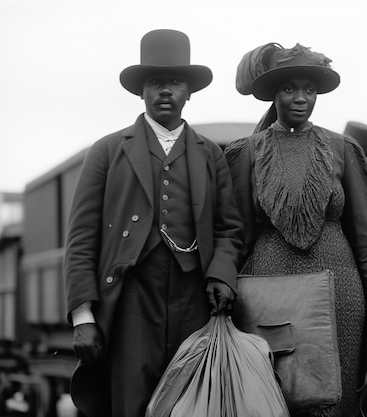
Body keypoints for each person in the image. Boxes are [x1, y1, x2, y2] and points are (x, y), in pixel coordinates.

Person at [64, 29, 243, 417]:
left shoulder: (210, 154)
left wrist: (222, 275)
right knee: (129, 400)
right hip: (130, 297)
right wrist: (83, 314)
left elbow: (230, 228)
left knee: (192, 401)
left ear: (189, 92)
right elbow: (81, 238)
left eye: (175, 82)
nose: (166, 91)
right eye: (156, 82)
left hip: (194, 299)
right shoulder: (108, 151)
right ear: (141, 91)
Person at [225, 43, 367, 417]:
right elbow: (233, 236)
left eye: (309, 89)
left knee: (336, 400)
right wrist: (224, 297)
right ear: (274, 94)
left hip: (340, 296)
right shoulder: (247, 153)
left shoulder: (343, 149)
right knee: (272, 398)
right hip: (269, 297)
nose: (301, 98)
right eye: (290, 89)